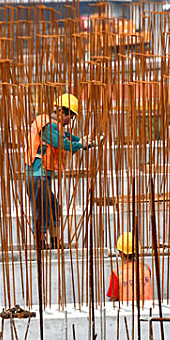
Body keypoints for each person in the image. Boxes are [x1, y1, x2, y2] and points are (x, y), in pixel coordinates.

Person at [23, 93, 101, 249]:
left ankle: (53, 240)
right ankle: (42, 242)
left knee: (54, 209)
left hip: (41, 175)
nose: (69, 121)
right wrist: (83, 145)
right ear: (61, 111)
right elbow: (62, 142)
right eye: (69, 117)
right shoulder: (48, 126)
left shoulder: (50, 124)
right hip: (38, 176)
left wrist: (84, 140)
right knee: (42, 210)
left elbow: (67, 136)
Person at [107, 232, 153, 302]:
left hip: (127, 311)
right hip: (148, 310)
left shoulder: (117, 274)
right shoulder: (146, 268)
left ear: (120, 253)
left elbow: (113, 299)